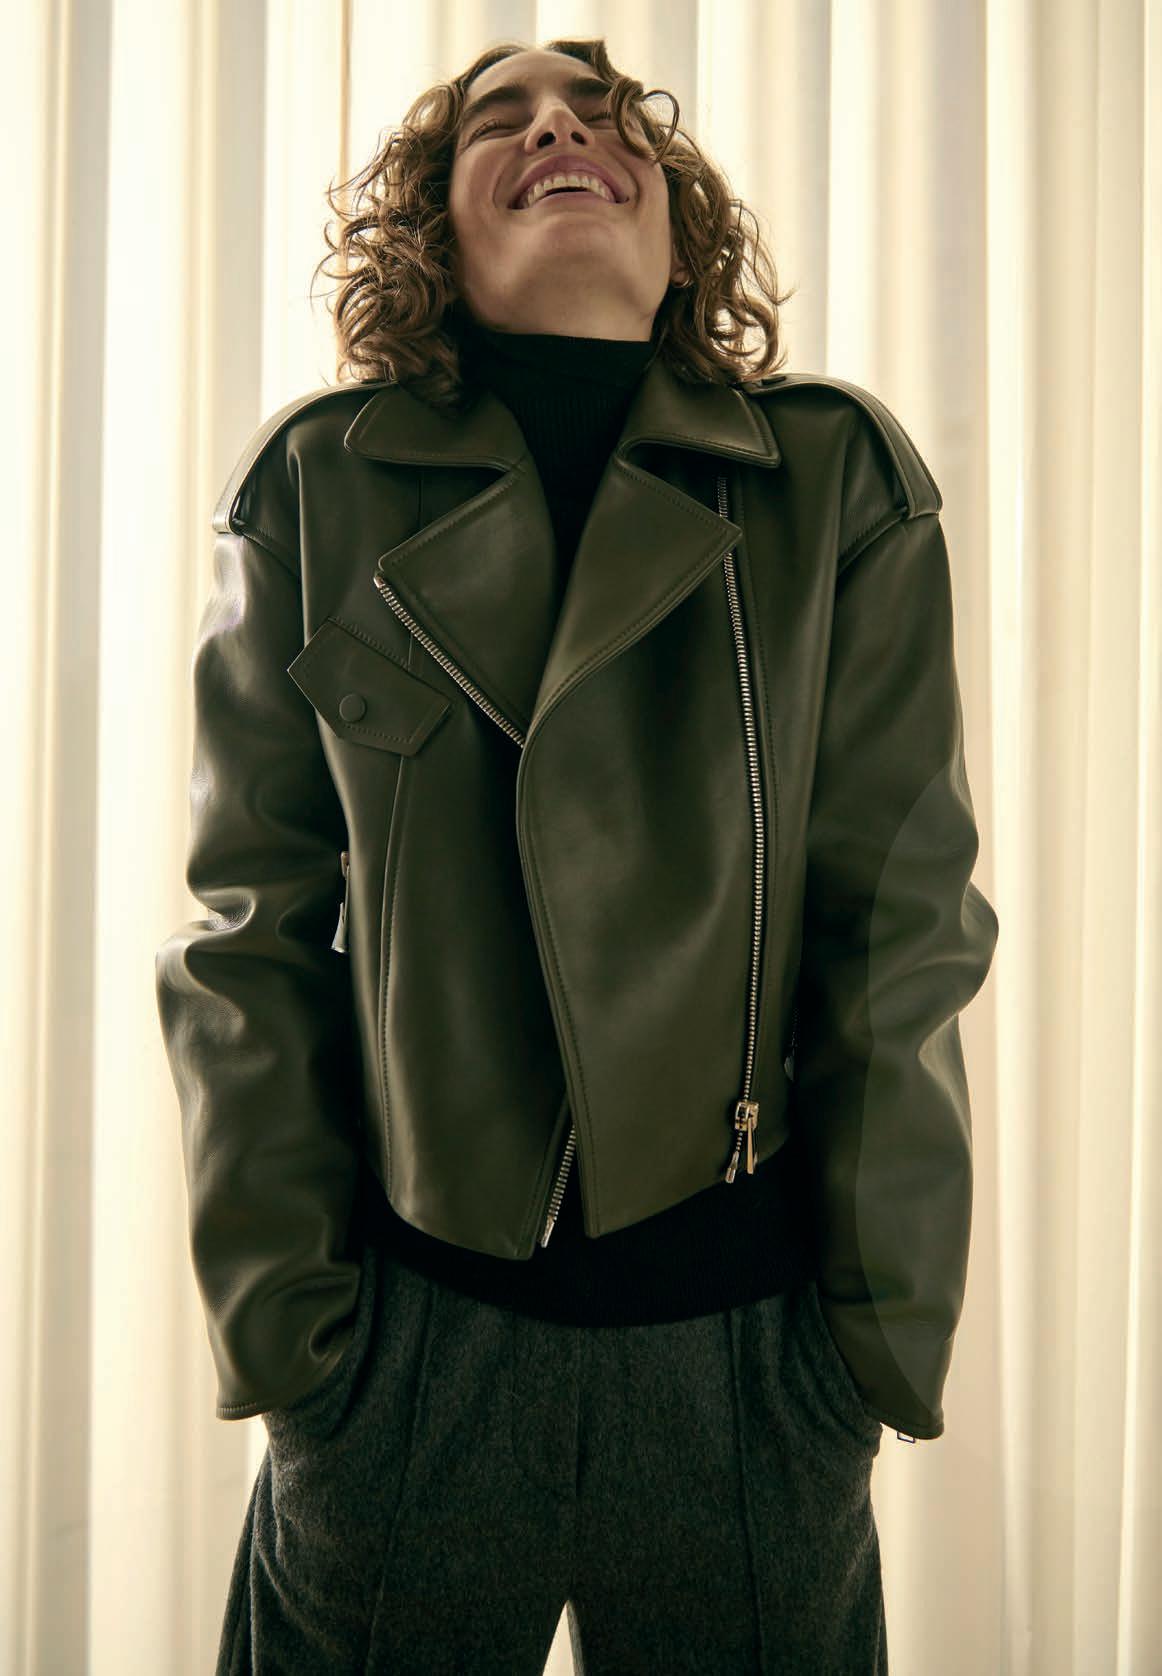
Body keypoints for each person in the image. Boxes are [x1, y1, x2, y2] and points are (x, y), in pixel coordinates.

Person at [155, 35, 999, 1676]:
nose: (561, 127)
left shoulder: (830, 479)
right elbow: (248, 932)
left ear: (675, 230)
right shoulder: (320, 481)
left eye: (609, 117)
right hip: (409, 1343)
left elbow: (898, 927)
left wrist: (869, 1345)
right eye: (504, 118)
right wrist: (295, 1340)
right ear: (433, 231)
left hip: (743, 1356)